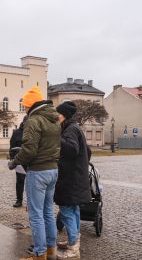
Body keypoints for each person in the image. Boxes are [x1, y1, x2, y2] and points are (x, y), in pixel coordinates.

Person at [8, 86, 61, 260]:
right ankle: (51, 250)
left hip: (38, 171)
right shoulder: (54, 119)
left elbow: (29, 150)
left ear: (30, 105)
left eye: (25, 105)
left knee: (36, 214)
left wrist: (14, 162)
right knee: (47, 212)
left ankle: (39, 253)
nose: (24, 108)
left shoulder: (34, 120)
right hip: (52, 169)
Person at [54, 101, 91, 260]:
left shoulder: (70, 129)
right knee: (73, 210)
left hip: (70, 179)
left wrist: (55, 136)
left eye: (58, 114)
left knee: (67, 211)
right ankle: (73, 241)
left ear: (64, 115)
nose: (56, 117)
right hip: (76, 178)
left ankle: (74, 248)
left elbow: (70, 149)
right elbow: (87, 151)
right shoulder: (74, 128)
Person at [9, 116, 28, 208]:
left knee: (32, 182)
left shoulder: (34, 131)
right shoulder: (17, 133)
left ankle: (30, 200)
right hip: (20, 161)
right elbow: (12, 146)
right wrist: (13, 159)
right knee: (20, 181)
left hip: (31, 161)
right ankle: (19, 200)